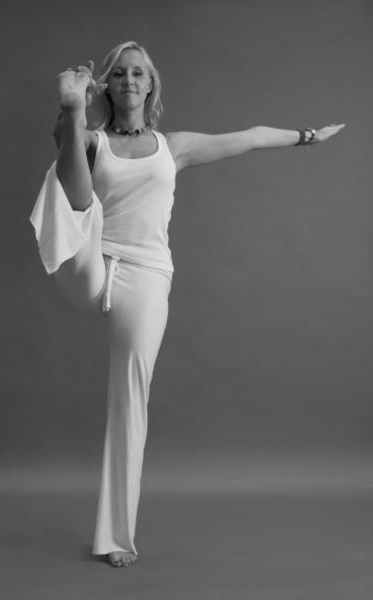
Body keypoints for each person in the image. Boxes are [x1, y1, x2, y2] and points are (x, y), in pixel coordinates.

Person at [29, 40, 345, 568]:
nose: (130, 80)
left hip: (146, 277)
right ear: (107, 85)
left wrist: (306, 136)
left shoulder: (172, 147)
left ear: (150, 84)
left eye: (138, 73)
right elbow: (64, 160)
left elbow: (247, 138)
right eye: (119, 73)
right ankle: (71, 103)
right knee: (72, 183)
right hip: (90, 260)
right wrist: (73, 110)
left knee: (130, 398)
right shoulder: (90, 139)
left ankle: (116, 537)